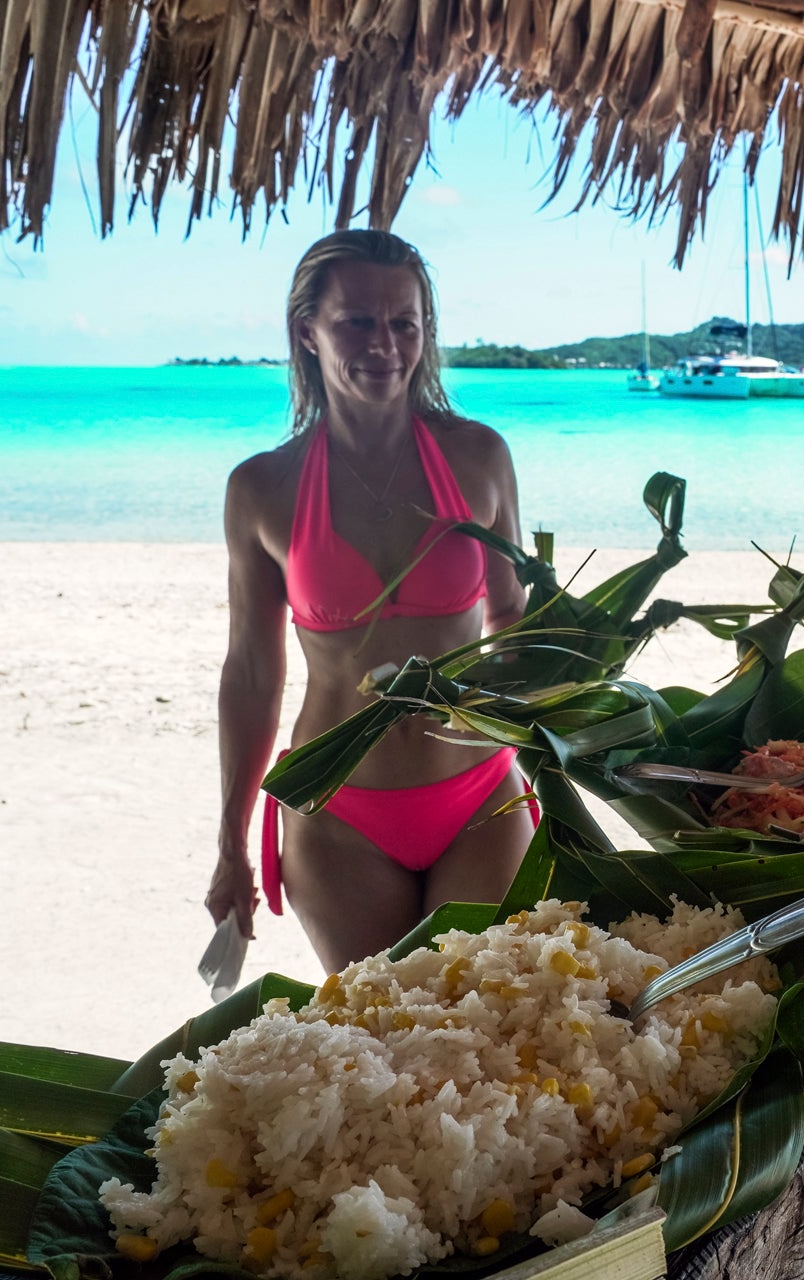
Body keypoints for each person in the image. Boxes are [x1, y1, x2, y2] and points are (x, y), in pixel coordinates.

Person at [207, 231, 533, 973]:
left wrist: (562, 730)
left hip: (482, 795)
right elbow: (253, 675)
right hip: (337, 814)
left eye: (404, 323)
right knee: (384, 1048)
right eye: (357, 321)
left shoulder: (479, 457)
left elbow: (513, 619)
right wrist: (230, 844)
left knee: (488, 1032)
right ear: (308, 332)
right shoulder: (261, 489)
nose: (384, 343)